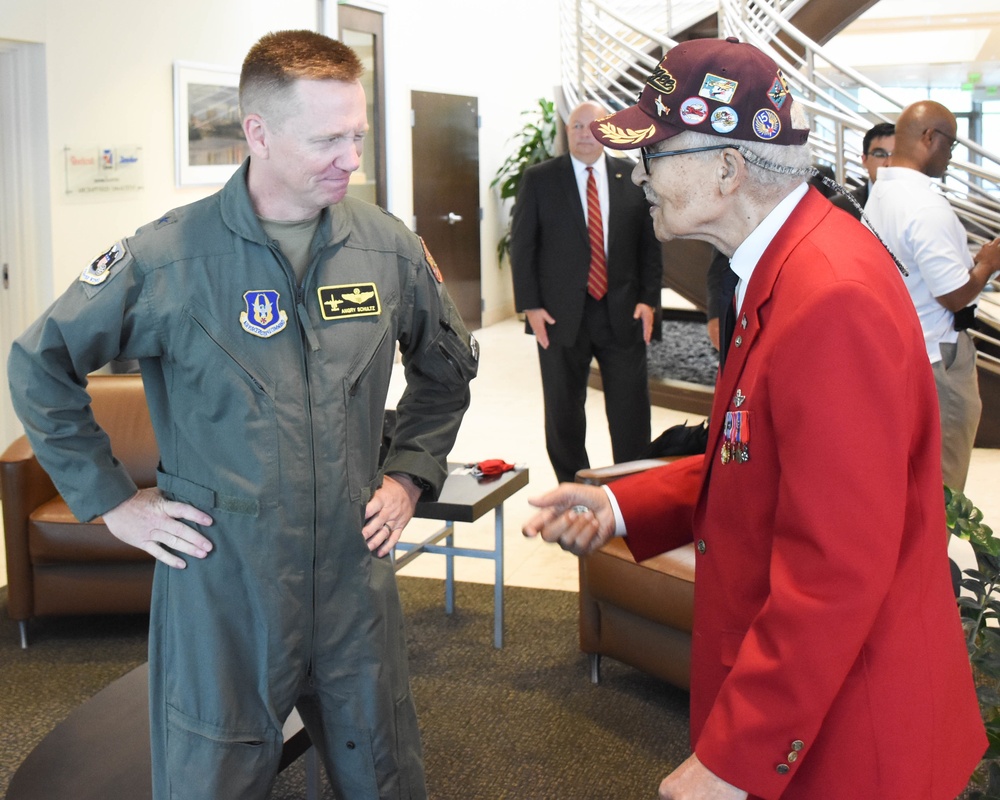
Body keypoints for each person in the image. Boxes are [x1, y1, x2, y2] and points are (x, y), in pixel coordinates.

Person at [7, 30, 479, 800]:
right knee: (210, 777)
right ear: (257, 133)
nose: (350, 157)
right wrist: (111, 504)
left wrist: (408, 476)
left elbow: (448, 369)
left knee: (383, 772)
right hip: (223, 581)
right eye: (327, 138)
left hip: (353, 579)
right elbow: (39, 364)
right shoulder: (169, 259)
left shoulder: (387, 249)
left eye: (357, 134)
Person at [523, 37, 985, 800]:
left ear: (728, 169)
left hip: (846, 739)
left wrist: (737, 755)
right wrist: (617, 501)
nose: (639, 177)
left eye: (655, 155)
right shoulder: (786, 266)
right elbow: (763, 460)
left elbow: (835, 566)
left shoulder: (828, 294)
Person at [510, 100, 662, 483]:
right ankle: (573, 487)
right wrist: (530, 306)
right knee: (563, 411)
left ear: (608, 131)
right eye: (577, 126)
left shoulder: (632, 177)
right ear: (567, 131)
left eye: (593, 126)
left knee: (630, 409)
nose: (584, 133)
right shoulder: (541, 179)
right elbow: (523, 245)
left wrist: (649, 300)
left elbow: (650, 245)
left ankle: (631, 490)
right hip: (559, 315)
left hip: (622, 311)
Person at [864, 100, 1000, 492]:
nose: (952, 156)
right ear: (929, 138)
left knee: (909, 475)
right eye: (951, 145)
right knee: (943, 478)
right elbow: (954, 296)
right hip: (938, 356)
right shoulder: (923, 205)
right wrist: (987, 264)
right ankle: (931, 554)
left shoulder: (883, 193)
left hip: (904, 345)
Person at [831, 121, 895, 219]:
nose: (888, 163)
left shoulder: (918, 204)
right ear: (864, 160)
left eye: (896, 155)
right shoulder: (839, 207)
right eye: (880, 155)